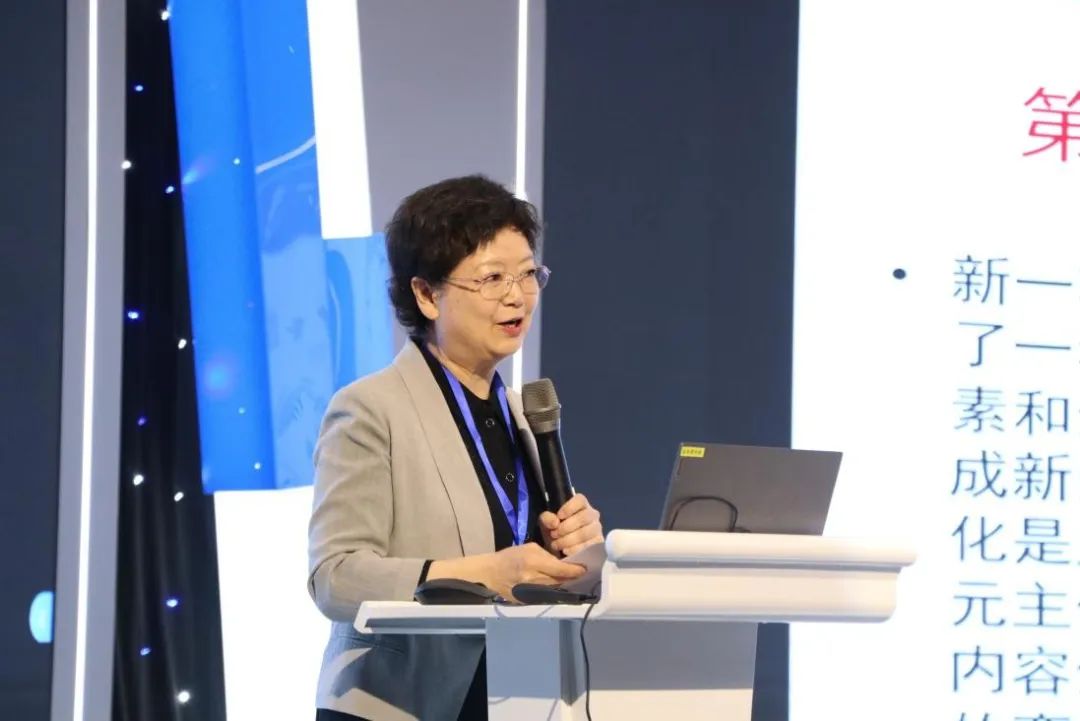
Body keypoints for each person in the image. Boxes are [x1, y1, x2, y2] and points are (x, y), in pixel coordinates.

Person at [308, 175, 605, 721]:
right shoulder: (370, 408)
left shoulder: (523, 414)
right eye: (491, 278)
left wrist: (577, 553)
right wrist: (484, 575)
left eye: (527, 274)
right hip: (399, 705)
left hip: (517, 697)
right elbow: (335, 576)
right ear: (426, 295)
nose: (516, 296)